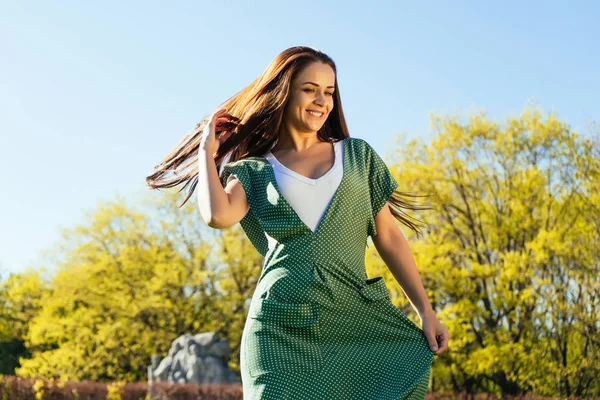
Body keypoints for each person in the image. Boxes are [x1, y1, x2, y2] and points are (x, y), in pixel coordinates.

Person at [147, 46, 449, 399]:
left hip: (353, 322)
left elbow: (390, 238)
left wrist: (425, 310)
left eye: (329, 92)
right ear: (285, 92)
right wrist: (207, 155)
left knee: (405, 374)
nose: (322, 101)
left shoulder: (358, 156)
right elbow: (218, 215)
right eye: (310, 89)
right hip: (277, 329)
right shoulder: (254, 169)